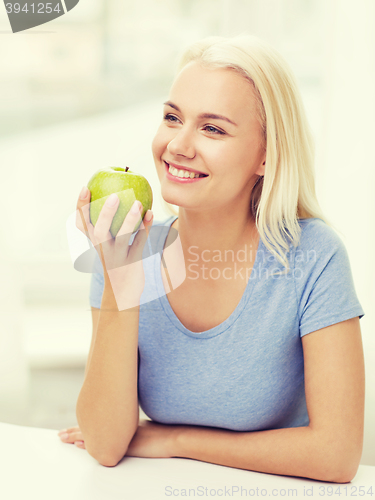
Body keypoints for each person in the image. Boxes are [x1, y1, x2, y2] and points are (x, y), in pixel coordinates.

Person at [58, 34, 365, 483]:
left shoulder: (313, 256)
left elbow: (336, 455)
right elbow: (105, 443)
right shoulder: (125, 248)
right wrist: (118, 275)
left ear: (265, 154)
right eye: (172, 118)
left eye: (213, 128)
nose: (178, 146)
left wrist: (176, 440)